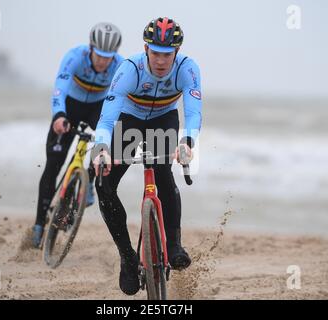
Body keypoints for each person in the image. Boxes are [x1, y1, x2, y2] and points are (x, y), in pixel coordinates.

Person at [92, 17, 202, 295]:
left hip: (163, 120)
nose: (161, 61)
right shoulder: (129, 69)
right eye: (155, 53)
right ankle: (128, 257)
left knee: (163, 172)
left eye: (167, 54)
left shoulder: (187, 68)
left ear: (176, 52)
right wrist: (101, 148)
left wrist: (187, 141)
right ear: (146, 49)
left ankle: (175, 245)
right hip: (129, 121)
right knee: (103, 182)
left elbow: (192, 112)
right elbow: (106, 120)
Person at [32, 22, 124, 248]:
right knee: (53, 166)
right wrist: (59, 116)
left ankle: (90, 178)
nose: (103, 61)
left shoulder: (120, 66)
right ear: (91, 47)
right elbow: (59, 90)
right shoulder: (75, 56)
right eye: (100, 55)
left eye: (108, 56)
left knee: (114, 136)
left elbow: (123, 98)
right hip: (70, 108)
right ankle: (38, 224)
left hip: (97, 108)